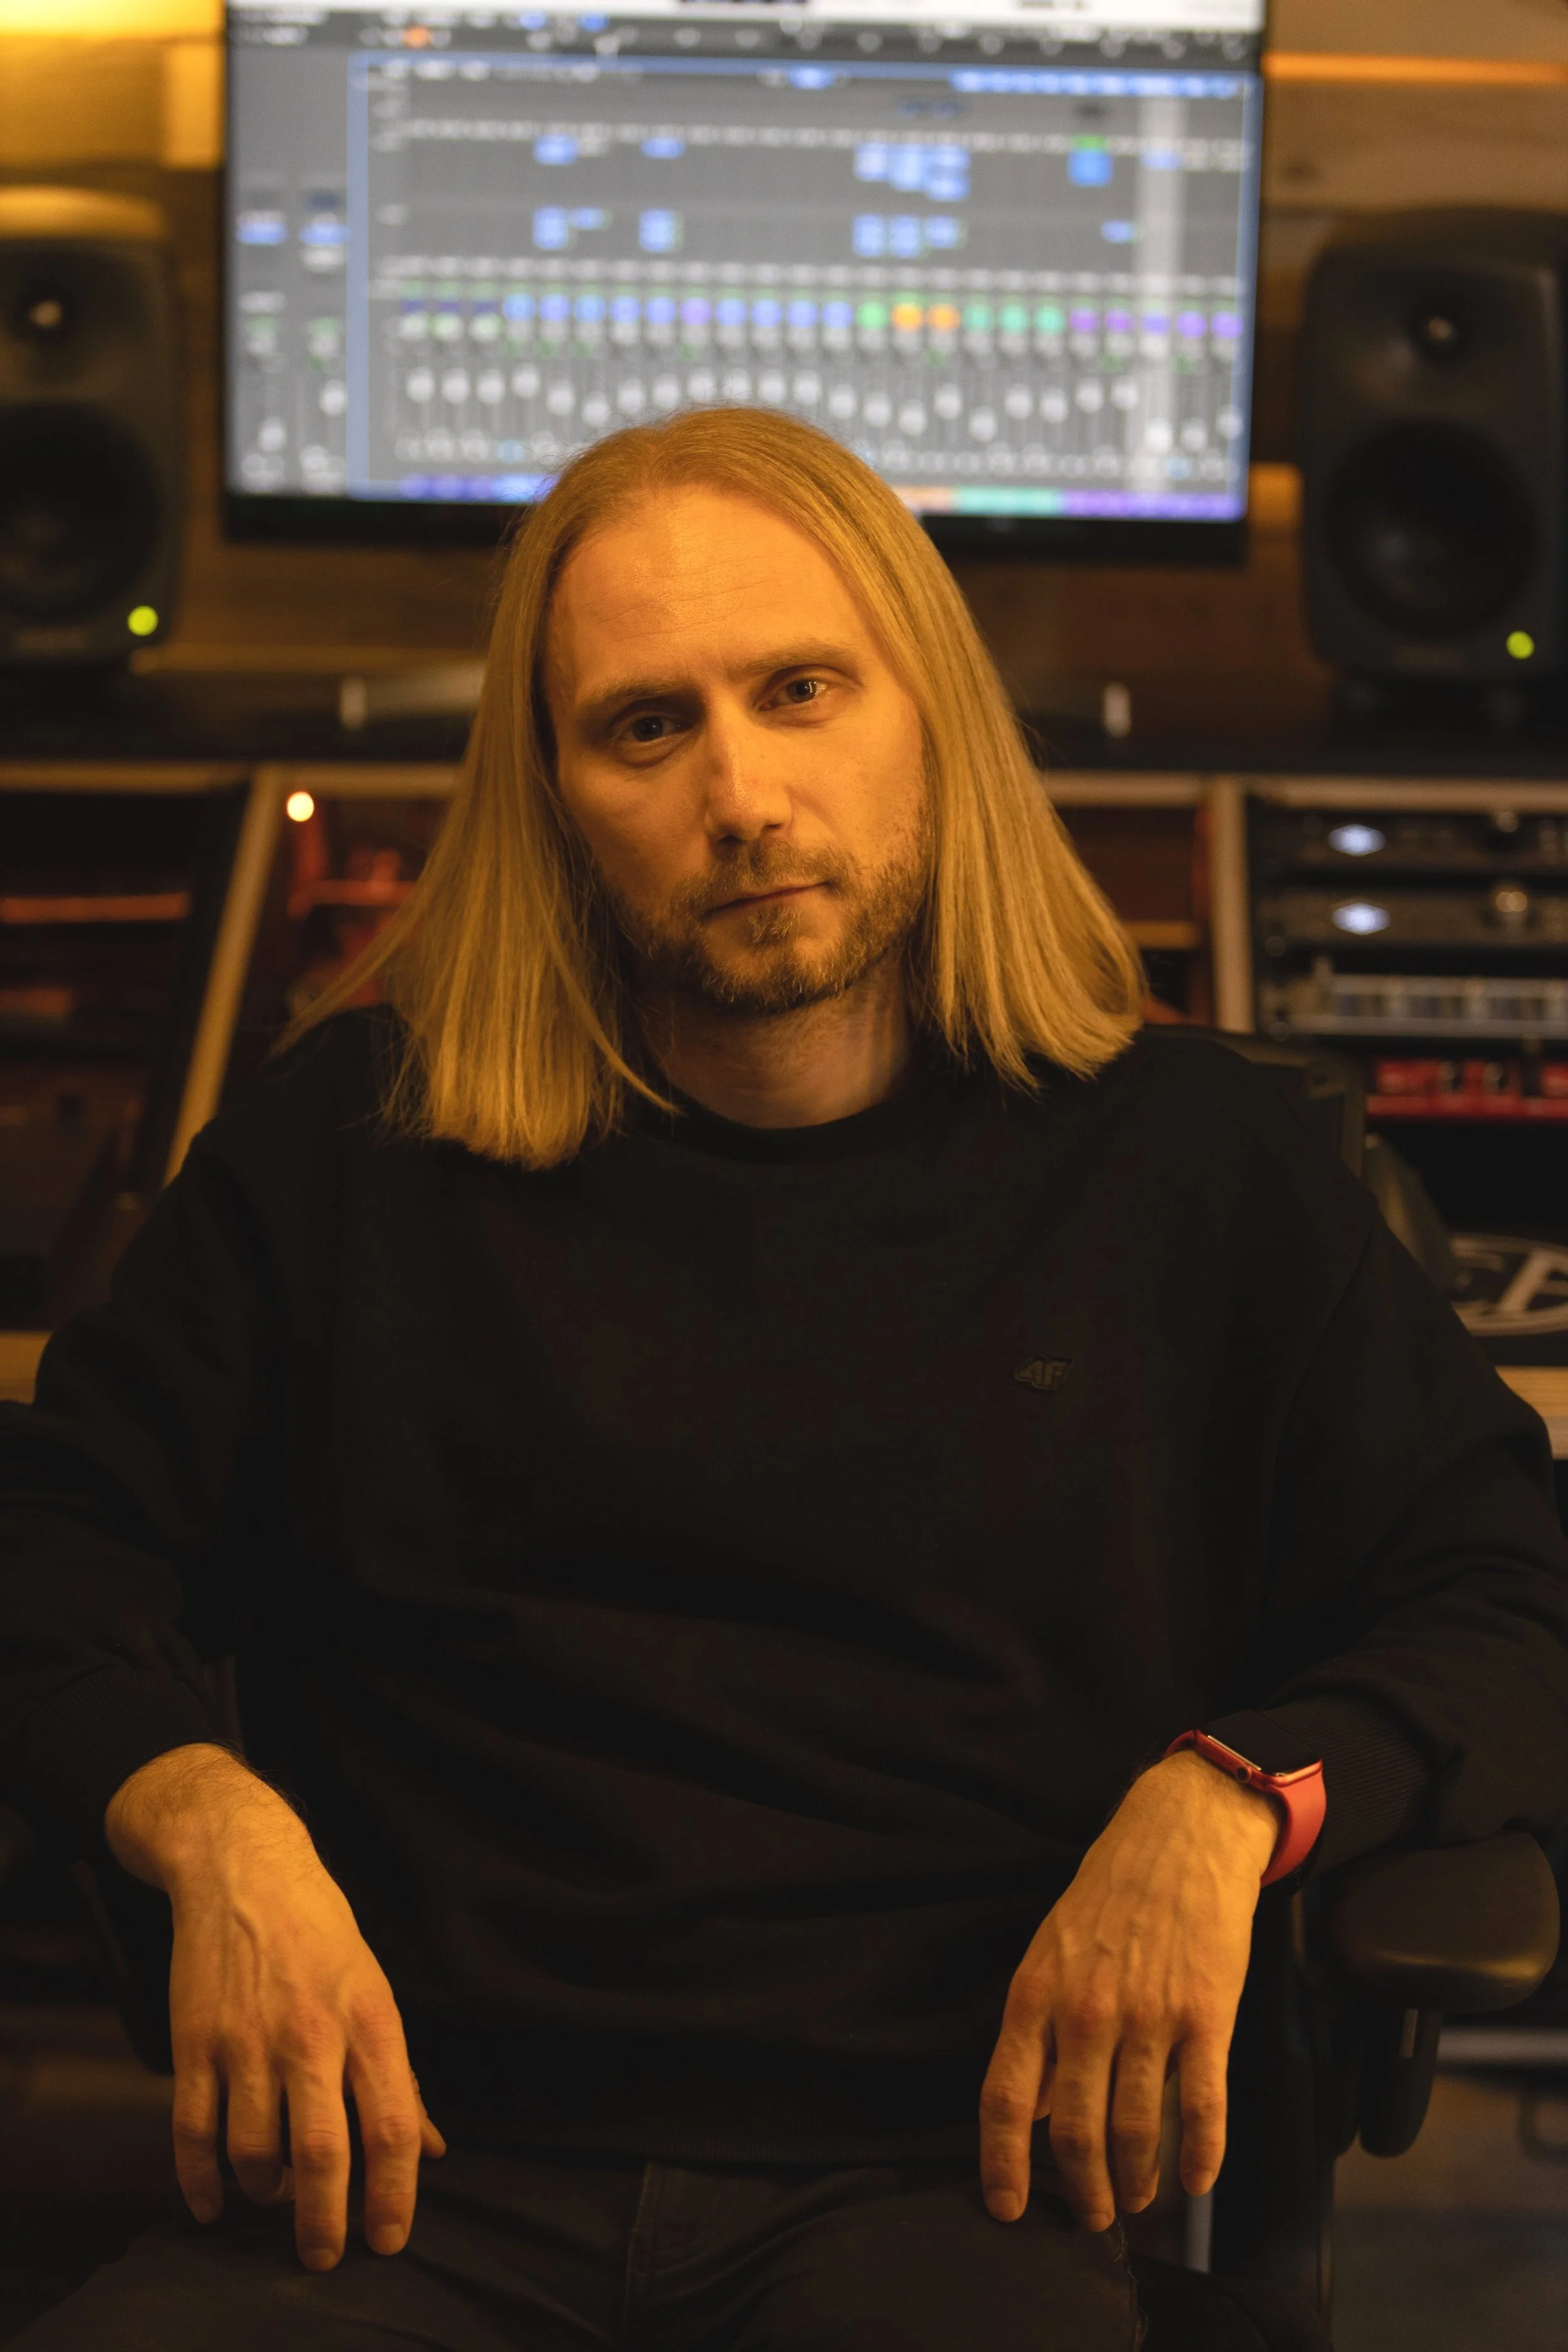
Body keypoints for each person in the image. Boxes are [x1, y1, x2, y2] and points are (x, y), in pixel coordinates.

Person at [1, 409, 1566, 2352]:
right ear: (557, 789)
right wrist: (199, 1812)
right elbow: (50, 1540)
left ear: (925, 717)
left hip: (957, 2185)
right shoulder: (353, 1148)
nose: (738, 790)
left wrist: (1234, 1795)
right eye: (646, 726)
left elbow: (1512, 1601)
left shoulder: (1202, 1170)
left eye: (798, 689)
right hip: (406, 2173)